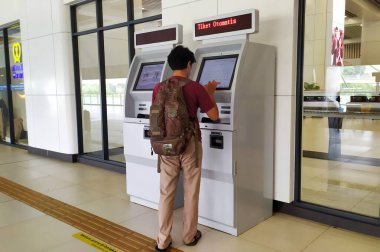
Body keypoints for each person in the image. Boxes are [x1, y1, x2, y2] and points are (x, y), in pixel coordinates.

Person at [152, 45, 219, 251]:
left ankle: (163, 240)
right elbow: (214, 115)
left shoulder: (158, 87)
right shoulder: (195, 87)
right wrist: (210, 93)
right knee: (190, 192)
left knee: (166, 193)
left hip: (166, 146)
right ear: (189, 64)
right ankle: (189, 236)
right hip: (190, 145)